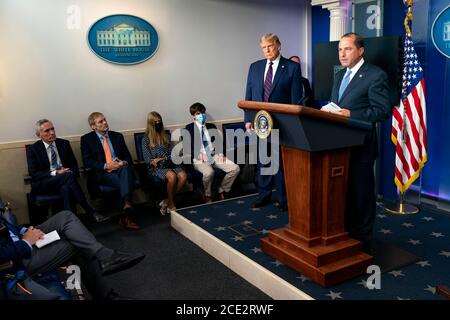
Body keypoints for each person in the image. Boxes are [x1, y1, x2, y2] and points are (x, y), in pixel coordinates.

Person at [326, 33, 392, 251]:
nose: (342, 54)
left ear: (360, 50)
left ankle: (363, 241)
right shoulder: (339, 76)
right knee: (344, 194)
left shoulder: (375, 75)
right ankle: (347, 233)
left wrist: (349, 114)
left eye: (347, 49)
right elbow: (337, 106)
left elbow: (381, 111)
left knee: (361, 195)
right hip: (338, 146)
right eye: (340, 50)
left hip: (361, 147)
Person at [0, 209, 145, 299]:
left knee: (66, 216)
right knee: (76, 243)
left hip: (19, 240)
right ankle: (107, 292)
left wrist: (23, 231)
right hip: (16, 261)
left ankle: (105, 255)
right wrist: (25, 242)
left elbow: (6, 226)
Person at [244, 33, 303, 211]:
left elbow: (296, 99)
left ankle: (283, 198)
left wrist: (294, 124)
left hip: (283, 123)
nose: (267, 50)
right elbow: (249, 94)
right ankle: (264, 195)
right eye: (263, 47)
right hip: (260, 122)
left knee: (280, 162)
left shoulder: (292, 67)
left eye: (270, 46)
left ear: (278, 45)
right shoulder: (254, 67)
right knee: (264, 160)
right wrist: (248, 119)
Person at [27, 119, 109, 224]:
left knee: (66, 187)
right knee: (68, 177)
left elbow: (74, 166)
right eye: (47, 131)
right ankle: (90, 211)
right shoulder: (33, 149)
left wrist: (68, 173)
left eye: (52, 129)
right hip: (45, 183)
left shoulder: (64, 144)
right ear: (39, 134)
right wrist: (56, 173)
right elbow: (34, 173)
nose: (52, 132)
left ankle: (72, 223)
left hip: (65, 181)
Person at [80, 112, 140, 230]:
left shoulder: (117, 136)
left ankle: (125, 210)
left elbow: (128, 157)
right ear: (93, 126)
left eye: (105, 120)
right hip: (103, 174)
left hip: (120, 170)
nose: (105, 122)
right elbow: (87, 161)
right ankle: (127, 212)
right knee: (126, 181)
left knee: (125, 168)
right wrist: (106, 166)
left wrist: (123, 162)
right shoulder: (87, 139)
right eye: (100, 121)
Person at [185, 102, 240, 203]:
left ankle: (222, 189)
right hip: (199, 158)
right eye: (198, 113)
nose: (201, 115)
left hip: (214, 155)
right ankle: (208, 194)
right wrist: (200, 155)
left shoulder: (212, 126)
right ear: (193, 116)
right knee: (209, 172)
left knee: (235, 168)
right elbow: (187, 148)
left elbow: (219, 143)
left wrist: (221, 153)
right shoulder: (188, 128)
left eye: (202, 112)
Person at [142, 111, 187, 214]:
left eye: (159, 121)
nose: (158, 123)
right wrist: (156, 161)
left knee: (183, 176)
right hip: (157, 167)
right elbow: (148, 159)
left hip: (169, 163)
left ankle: (167, 201)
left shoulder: (166, 135)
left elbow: (172, 153)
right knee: (172, 176)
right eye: (155, 121)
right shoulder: (146, 139)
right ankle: (171, 204)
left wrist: (163, 158)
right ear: (150, 123)